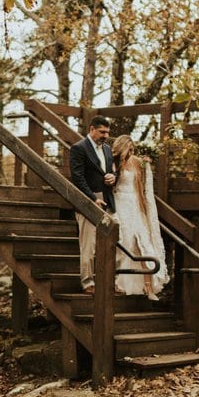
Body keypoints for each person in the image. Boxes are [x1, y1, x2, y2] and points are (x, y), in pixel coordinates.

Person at [111, 135, 169, 300]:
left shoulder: (137, 162)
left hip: (135, 204)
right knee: (125, 243)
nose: (131, 151)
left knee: (142, 243)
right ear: (121, 147)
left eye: (132, 148)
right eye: (128, 148)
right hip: (120, 203)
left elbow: (144, 184)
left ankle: (148, 287)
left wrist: (147, 164)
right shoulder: (113, 162)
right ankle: (117, 282)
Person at [69, 115, 116, 294]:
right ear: (92, 129)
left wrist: (114, 177)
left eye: (107, 132)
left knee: (109, 243)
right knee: (88, 244)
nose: (105, 135)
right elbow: (77, 177)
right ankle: (88, 282)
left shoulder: (108, 150)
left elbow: (111, 171)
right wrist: (91, 197)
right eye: (102, 132)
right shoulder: (78, 148)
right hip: (88, 200)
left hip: (108, 199)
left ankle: (106, 281)